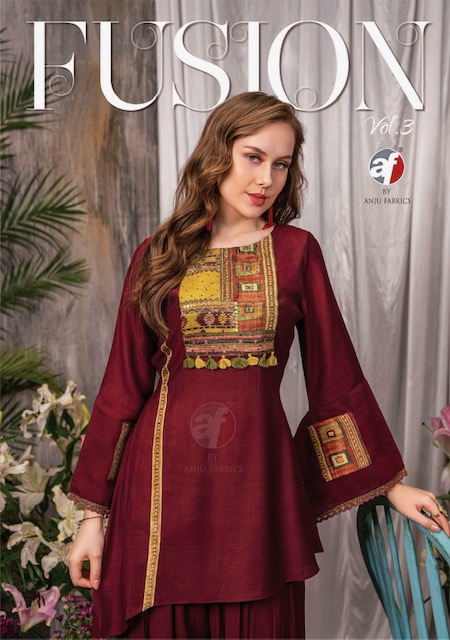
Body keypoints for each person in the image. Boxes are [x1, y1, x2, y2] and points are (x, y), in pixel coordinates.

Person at [67, 91, 450, 639]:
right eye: (253, 157)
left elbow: (337, 378)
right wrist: (92, 519)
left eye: (281, 164)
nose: (266, 178)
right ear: (217, 155)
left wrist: (390, 486)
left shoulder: (297, 252)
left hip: (256, 493)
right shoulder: (159, 255)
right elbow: (121, 389)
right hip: (158, 494)